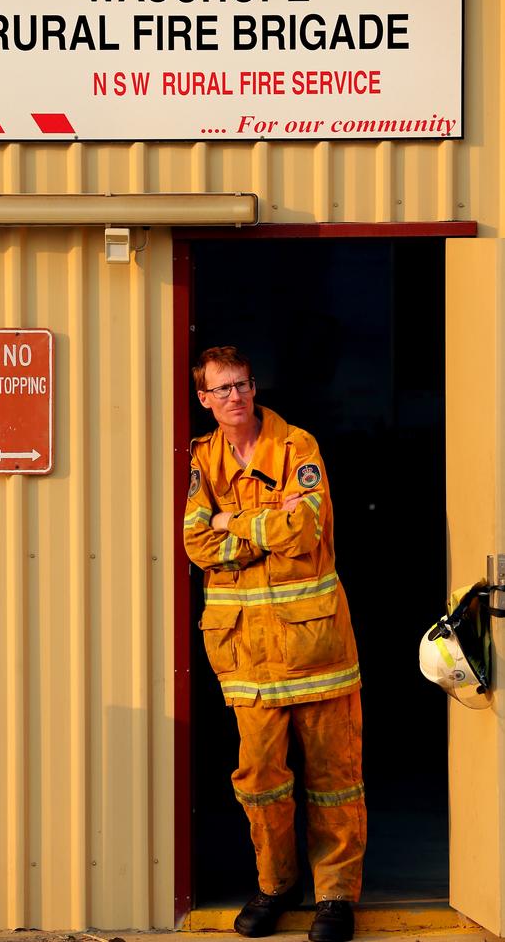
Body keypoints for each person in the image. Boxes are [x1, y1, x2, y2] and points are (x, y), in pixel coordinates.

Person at [184, 346, 366, 942]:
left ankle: (335, 898)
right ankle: (275, 885)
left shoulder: (298, 447)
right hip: (247, 660)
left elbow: (306, 527)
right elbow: (194, 543)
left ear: (255, 387)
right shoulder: (203, 460)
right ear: (204, 399)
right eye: (220, 389)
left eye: (241, 384)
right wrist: (260, 524)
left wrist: (229, 521)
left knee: (334, 778)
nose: (233, 396)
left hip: (316, 651)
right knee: (260, 779)